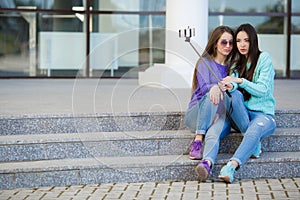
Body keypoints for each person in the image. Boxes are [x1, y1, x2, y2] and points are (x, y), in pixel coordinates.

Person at [195, 23, 276, 183]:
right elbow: (234, 84)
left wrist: (239, 80)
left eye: (246, 40)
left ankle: (231, 166)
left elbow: (262, 90)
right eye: (238, 41)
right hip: (239, 114)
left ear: (253, 41)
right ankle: (206, 163)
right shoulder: (235, 62)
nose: (242, 44)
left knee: (253, 132)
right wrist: (228, 85)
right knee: (214, 130)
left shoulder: (264, 58)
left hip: (263, 115)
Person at [184, 26, 234, 160]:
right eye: (224, 42)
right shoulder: (204, 63)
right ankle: (198, 140)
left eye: (231, 42)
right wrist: (216, 87)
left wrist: (218, 113)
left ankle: (207, 163)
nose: (228, 46)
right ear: (215, 43)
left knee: (215, 132)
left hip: (218, 115)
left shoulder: (232, 67)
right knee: (210, 94)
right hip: (196, 115)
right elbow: (206, 88)